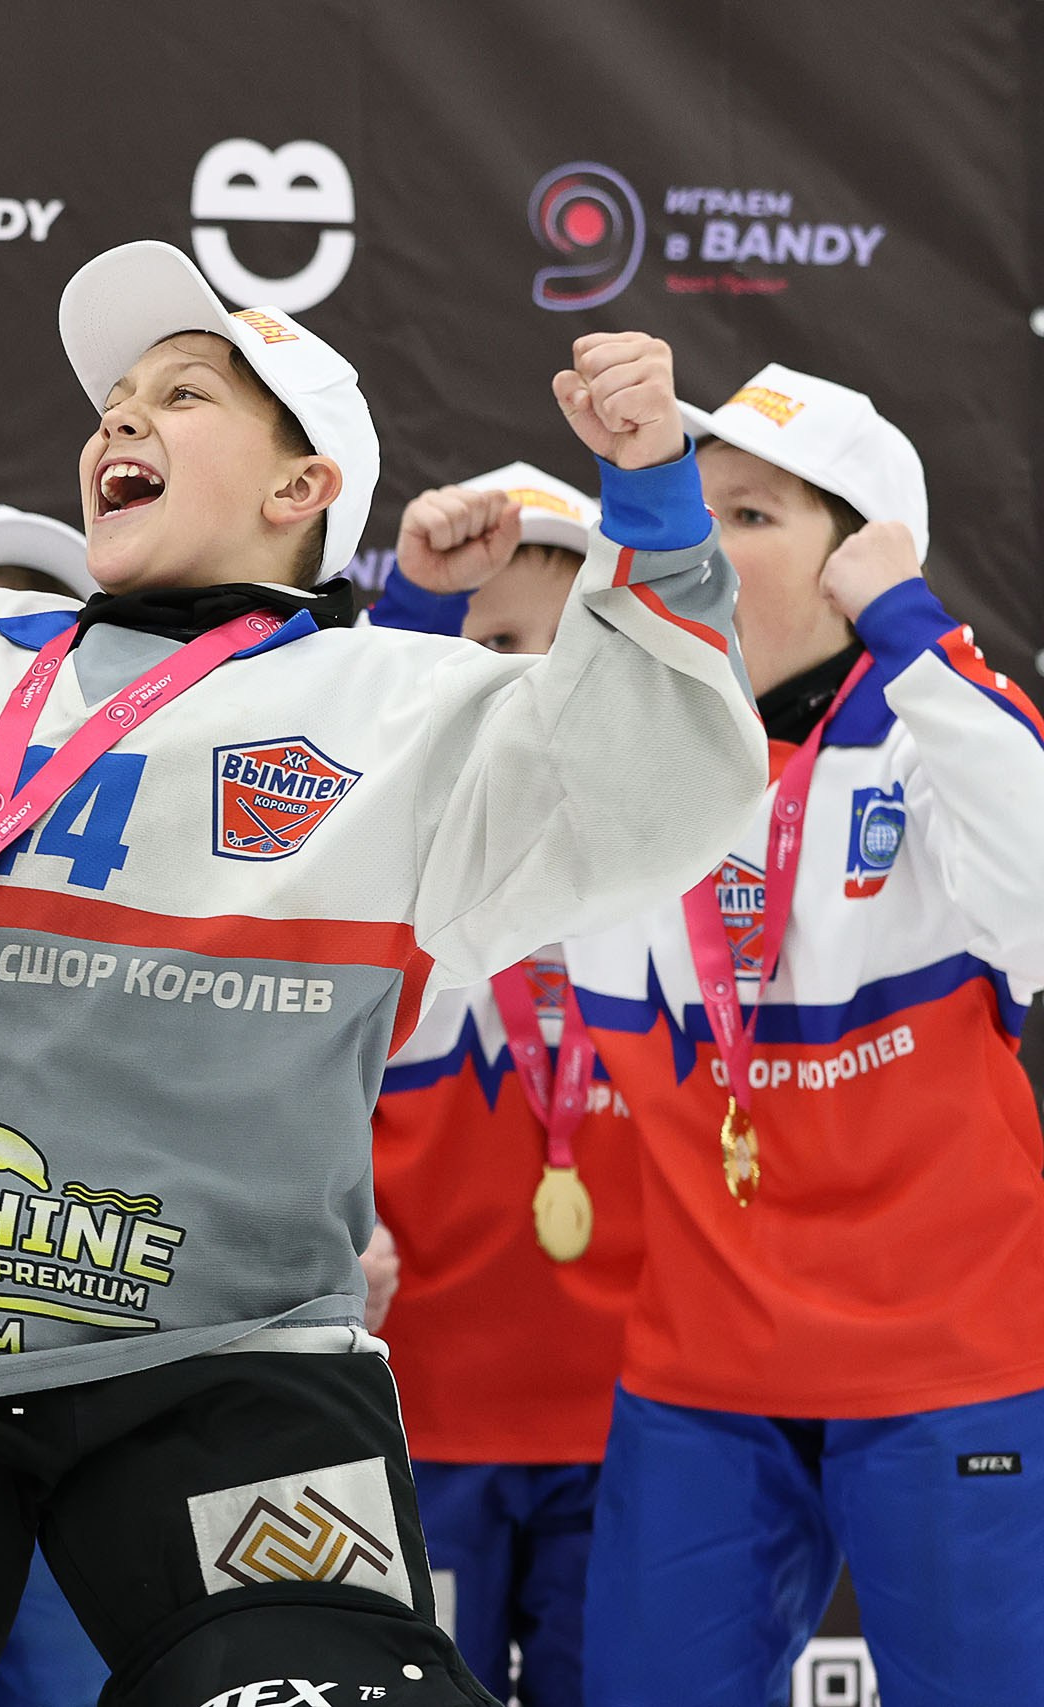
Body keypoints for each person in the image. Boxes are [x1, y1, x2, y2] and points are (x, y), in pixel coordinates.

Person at [0, 190, 762, 1707]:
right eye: (112, 400)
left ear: (306, 483)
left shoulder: (401, 705)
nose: (125, 417)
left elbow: (658, 774)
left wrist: (655, 503)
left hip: (222, 1365)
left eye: (182, 394)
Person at [567, 363, 1044, 1704]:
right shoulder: (626, 765)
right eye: (690, 512)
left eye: (756, 515)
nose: (704, 548)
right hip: (703, 1376)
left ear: (859, 561)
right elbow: (425, 873)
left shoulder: (937, 751)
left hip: (949, 1364)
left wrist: (919, 639)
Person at [365, 466, 642, 1706]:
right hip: (421, 1425)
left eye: (559, 647)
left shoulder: (691, 884)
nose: (524, 684)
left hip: (641, 1432)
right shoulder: (395, 887)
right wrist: (418, 615)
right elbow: (352, 755)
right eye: (488, 646)